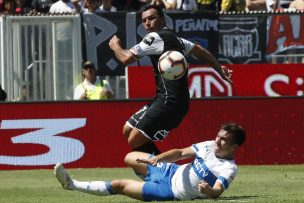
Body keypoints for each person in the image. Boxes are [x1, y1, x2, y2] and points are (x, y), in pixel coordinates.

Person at [108, 5, 232, 155]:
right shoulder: (176, 39)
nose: (147, 23)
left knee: (134, 140)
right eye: (144, 20)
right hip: (168, 100)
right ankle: (158, 172)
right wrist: (219, 68)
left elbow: (126, 58)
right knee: (128, 129)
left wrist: (115, 46)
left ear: (162, 19)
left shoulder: (154, 37)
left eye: (152, 18)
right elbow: (200, 50)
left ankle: (165, 174)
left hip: (170, 103)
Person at [54, 123, 246, 201]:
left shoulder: (229, 168)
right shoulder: (208, 145)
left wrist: (209, 191)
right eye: (218, 136)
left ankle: (71, 185)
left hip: (169, 191)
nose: (217, 141)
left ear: (235, 147)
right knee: (129, 158)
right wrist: (157, 159)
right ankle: (148, 178)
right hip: (170, 171)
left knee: (119, 185)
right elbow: (179, 153)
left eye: (223, 140)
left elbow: (218, 191)